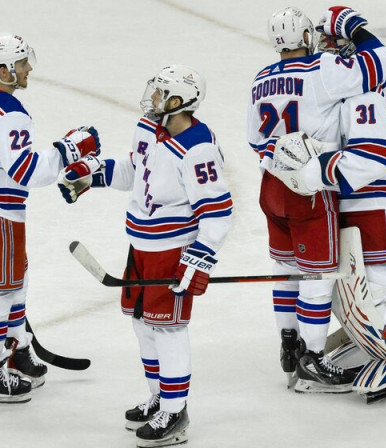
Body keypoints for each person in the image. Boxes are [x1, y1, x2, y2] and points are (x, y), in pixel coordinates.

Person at [58, 65, 233, 447]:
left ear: (177, 102)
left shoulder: (198, 146)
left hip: (173, 251)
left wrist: (198, 259)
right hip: (140, 245)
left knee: (168, 329)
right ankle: (158, 397)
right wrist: (92, 175)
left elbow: (217, 212)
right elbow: (133, 171)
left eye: (158, 94)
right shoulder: (147, 128)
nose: (150, 99)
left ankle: (175, 410)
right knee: (142, 323)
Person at [0, 32, 101, 404]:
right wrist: (68, 150)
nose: (29, 67)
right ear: (3, 69)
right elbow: (27, 172)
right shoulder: (11, 115)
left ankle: (14, 348)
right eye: (21, 63)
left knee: (16, 279)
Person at [270, 24, 386, 402]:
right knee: (344, 286)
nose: (325, 50)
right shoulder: (345, 86)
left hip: (375, 193)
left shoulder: (363, 90)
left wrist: (312, 170)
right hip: (348, 192)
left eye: (333, 43)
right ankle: (369, 346)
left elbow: (374, 155)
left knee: (374, 283)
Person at [246, 6, 386, 393]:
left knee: (285, 267)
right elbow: (380, 62)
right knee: (316, 276)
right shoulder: (321, 71)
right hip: (309, 191)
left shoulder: (260, 79)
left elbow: (254, 140)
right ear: (306, 38)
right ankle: (312, 358)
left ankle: (288, 343)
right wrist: (354, 26)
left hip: (270, 186)